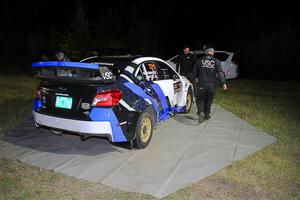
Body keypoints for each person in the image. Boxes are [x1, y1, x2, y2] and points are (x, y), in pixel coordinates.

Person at [193, 45, 227, 123]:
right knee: (209, 100)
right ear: (213, 52)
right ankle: (207, 115)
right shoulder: (217, 61)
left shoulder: (199, 60)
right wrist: (223, 83)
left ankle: (201, 112)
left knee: (200, 99)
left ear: (206, 52)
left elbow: (194, 73)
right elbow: (220, 73)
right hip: (212, 85)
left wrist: (195, 79)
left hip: (202, 84)